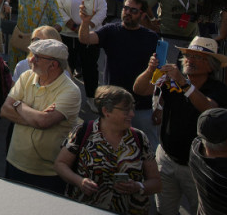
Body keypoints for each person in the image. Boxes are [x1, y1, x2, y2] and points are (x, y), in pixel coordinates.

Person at [132, 37, 227, 215]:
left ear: (211, 66)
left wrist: (185, 84)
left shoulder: (219, 89)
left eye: (197, 57)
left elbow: (208, 108)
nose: (189, 60)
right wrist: (150, 70)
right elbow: (140, 90)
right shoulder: (172, 82)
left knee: (199, 211)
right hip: (166, 159)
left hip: (197, 167)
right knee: (165, 210)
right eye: (188, 55)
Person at [55, 86, 160, 215]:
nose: (132, 114)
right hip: (88, 209)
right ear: (106, 111)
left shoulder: (139, 138)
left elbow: (156, 182)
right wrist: (80, 182)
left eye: (132, 108)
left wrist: (138, 186)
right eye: (126, 110)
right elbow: (60, 164)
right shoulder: (82, 132)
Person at [1, 38, 82, 194]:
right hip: (15, 162)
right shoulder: (26, 77)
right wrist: (35, 117)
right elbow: (4, 110)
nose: (31, 59)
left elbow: (44, 121)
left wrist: (18, 105)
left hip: (46, 173)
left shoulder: (71, 91)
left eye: (37, 57)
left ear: (54, 64)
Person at [78, 0, 160, 147]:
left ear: (142, 15)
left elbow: (160, 76)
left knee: (147, 146)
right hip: (114, 103)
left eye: (133, 11)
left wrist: (159, 107)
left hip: (142, 105)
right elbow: (85, 39)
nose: (127, 12)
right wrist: (85, 22)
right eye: (125, 8)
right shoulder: (110, 30)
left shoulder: (152, 38)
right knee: (110, 145)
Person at [53, 0, 105, 102]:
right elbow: (58, 8)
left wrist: (87, 25)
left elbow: (102, 10)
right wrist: (71, 25)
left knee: (90, 68)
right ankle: (65, 97)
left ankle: (91, 98)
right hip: (67, 34)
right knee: (65, 66)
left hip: (89, 35)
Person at [1, 0, 64, 68]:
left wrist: (48, 33)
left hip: (38, 44)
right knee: (16, 71)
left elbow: (59, 21)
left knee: (33, 72)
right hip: (20, 39)